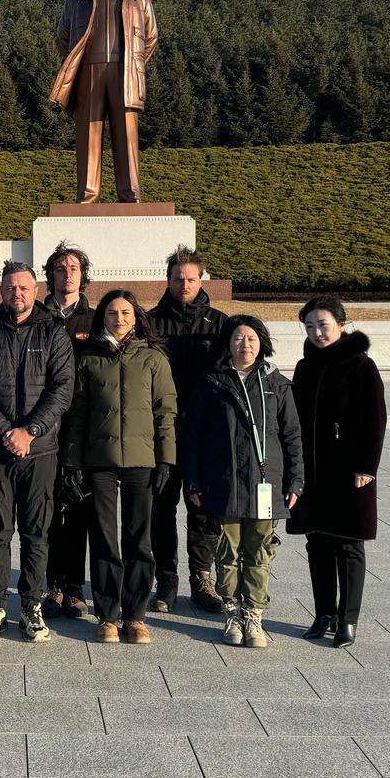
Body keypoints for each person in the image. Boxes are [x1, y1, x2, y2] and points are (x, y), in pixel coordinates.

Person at [0, 261, 75, 642]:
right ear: (1, 291)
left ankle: (31, 605)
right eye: (10, 288)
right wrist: (6, 431)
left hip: (39, 451)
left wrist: (30, 431)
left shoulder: (53, 331)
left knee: (36, 532)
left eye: (23, 288)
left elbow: (62, 389)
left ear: (35, 289)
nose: (17, 294)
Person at [182, 317, 305, 650]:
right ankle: (232, 613)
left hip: (266, 483)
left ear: (261, 343)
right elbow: (193, 436)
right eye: (238, 339)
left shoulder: (276, 384)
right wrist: (192, 481)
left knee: (259, 552)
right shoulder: (212, 383)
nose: (245, 345)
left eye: (251, 339)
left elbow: (292, 434)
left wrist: (296, 480)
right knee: (227, 552)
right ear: (228, 344)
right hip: (223, 484)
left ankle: (254, 614)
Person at [61, 290, 176, 644]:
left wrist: (166, 458)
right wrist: (72, 461)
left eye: (126, 313)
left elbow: (165, 412)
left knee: (139, 539)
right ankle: (108, 614)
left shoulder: (153, 358)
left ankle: (136, 615)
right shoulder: (89, 358)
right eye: (112, 313)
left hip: (142, 461)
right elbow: (76, 416)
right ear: (103, 318)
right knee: (105, 538)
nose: (119, 319)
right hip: (100, 462)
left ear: (136, 317)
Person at [288, 296, 387, 649]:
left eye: (323, 325)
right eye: (310, 326)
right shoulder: (305, 367)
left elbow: (375, 420)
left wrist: (366, 467)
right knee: (318, 542)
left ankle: (348, 619)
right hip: (314, 470)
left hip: (348, 470)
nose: (316, 332)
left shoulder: (361, 365)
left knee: (348, 544)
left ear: (342, 324)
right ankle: (323, 612)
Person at [147, 246, 231, 614]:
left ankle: (202, 577)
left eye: (191, 278)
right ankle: (165, 580)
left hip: (205, 435)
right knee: (161, 510)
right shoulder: (149, 323)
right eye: (178, 278)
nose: (184, 284)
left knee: (203, 510)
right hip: (160, 432)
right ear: (168, 280)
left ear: (201, 280)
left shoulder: (221, 324)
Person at [48, 0, 159, 203]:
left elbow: (151, 38)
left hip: (124, 74)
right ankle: (88, 193)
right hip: (88, 72)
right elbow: (62, 38)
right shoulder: (76, 0)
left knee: (126, 136)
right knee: (88, 133)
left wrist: (134, 65)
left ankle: (130, 193)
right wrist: (78, 63)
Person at [39, 240, 95, 619]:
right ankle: (52, 585)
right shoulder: (36, 316)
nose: (68, 274)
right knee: (43, 510)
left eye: (74, 268)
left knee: (77, 509)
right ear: (51, 276)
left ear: (83, 276)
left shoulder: (94, 320)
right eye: (61, 268)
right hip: (42, 427)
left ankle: (74, 586)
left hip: (81, 429)